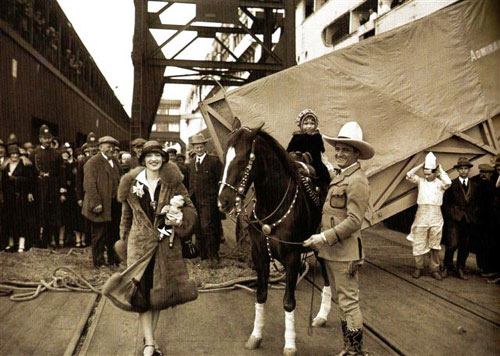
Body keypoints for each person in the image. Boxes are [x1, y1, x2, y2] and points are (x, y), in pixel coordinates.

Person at [114, 140, 197, 356]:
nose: (154, 159)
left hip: (164, 247)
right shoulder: (131, 184)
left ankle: (149, 340)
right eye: (150, 156)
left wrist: (179, 218)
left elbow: (191, 210)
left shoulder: (174, 183)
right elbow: (126, 216)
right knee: (141, 296)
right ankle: (150, 343)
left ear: (163, 158)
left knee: (158, 295)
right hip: (139, 247)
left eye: (158, 156)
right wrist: (123, 241)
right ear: (142, 159)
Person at [303, 121, 374, 356]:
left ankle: (355, 351)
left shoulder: (357, 180)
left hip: (346, 254)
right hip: (333, 252)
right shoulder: (341, 176)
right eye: (338, 148)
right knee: (342, 302)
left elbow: (354, 221)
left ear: (356, 153)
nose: (340, 153)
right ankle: (349, 348)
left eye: (346, 149)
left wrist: (323, 237)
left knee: (349, 303)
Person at [405, 152, 451, 280]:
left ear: (435, 172)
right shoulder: (420, 181)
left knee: (435, 244)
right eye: (425, 173)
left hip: (436, 214)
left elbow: (448, 181)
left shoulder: (440, 184)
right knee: (418, 242)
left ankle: (434, 268)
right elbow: (409, 175)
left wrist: (439, 169)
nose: (426, 176)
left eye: (429, 173)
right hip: (422, 214)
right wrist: (420, 166)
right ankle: (419, 267)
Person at [82, 135, 123, 267]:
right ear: (100, 147)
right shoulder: (92, 162)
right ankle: (99, 262)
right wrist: (96, 203)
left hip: (114, 204)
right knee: (99, 235)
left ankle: (113, 260)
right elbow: (89, 184)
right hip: (100, 205)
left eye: (113, 146)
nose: (111, 149)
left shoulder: (115, 162)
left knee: (113, 233)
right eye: (108, 146)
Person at [442, 157, 480, 280]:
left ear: (469, 170)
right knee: (452, 244)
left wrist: (473, 214)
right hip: (454, 219)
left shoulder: (474, 186)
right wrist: (451, 215)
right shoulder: (451, 185)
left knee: (465, 245)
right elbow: (446, 203)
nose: (463, 171)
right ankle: (447, 267)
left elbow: (476, 203)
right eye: (461, 169)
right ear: (458, 170)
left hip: (468, 220)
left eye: (466, 169)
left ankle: (460, 268)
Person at [187, 133, 223, 262]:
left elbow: (220, 181)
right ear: (193, 148)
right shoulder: (190, 164)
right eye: (197, 147)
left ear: (204, 147)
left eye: (201, 146)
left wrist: (218, 198)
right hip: (194, 199)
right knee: (197, 227)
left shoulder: (213, 161)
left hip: (209, 200)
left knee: (207, 227)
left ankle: (213, 254)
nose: (199, 149)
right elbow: (189, 182)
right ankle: (202, 255)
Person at [287, 108, 332, 203]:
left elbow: (316, 151)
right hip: (297, 161)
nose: (309, 126)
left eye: (312, 123)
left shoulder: (316, 137)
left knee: (323, 174)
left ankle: (323, 197)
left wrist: (304, 157)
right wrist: (293, 155)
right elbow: (289, 150)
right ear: (301, 125)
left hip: (314, 162)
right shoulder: (296, 137)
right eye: (306, 124)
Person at [1, 144, 35, 252]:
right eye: (12, 154)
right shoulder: (6, 166)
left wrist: (15, 179)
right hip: (9, 197)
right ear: (9, 155)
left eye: (16, 154)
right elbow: (3, 182)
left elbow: (29, 180)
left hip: (21, 196)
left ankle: (21, 244)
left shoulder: (24, 166)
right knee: (10, 220)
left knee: (21, 220)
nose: (14, 156)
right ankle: (11, 243)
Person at [33, 125, 61, 248]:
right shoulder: (34, 153)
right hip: (39, 188)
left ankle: (53, 240)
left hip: (53, 187)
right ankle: (42, 240)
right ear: (40, 139)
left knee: (53, 213)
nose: (47, 140)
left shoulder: (56, 154)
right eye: (45, 138)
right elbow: (30, 174)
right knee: (41, 213)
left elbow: (61, 172)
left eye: (49, 138)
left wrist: (61, 188)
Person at [472, 164, 497, 278]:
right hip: (479, 221)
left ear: (491, 174)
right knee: (480, 245)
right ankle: (482, 267)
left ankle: (488, 268)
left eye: (486, 173)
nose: (483, 175)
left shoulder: (493, 187)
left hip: (491, 222)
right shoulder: (478, 186)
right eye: (482, 172)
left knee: (489, 245)